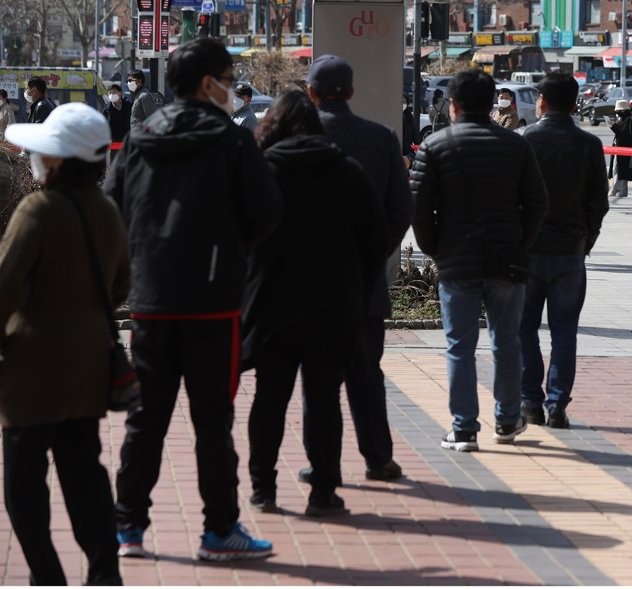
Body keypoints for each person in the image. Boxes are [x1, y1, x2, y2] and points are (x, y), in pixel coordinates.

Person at [104, 38, 283, 561]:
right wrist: (228, 248)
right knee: (212, 421)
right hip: (214, 305)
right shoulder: (231, 142)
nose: (232, 87)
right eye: (228, 78)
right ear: (208, 84)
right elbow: (267, 214)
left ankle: (127, 528)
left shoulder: (139, 137)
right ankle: (219, 529)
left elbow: (113, 207)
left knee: (145, 420)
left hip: (150, 303)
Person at [0, 102, 128, 585]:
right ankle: (103, 572)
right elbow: (121, 285)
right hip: (89, 366)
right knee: (84, 474)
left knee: (23, 481)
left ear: (55, 160)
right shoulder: (107, 211)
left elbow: (5, 287)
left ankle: (48, 577)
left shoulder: (38, 209)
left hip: (32, 371)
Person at [244, 90, 388, 516]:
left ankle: (262, 488)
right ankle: (324, 491)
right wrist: (356, 288)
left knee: (269, 397)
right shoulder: (348, 172)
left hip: (273, 305)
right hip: (333, 306)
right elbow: (377, 240)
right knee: (324, 399)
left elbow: (239, 235)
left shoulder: (263, 171)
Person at [410, 68, 548, 452]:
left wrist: (434, 248)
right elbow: (538, 202)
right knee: (507, 343)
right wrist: (521, 241)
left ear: (452, 105)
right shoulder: (517, 146)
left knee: (459, 345)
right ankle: (506, 421)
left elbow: (419, 208)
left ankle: (464, 428)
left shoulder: (436, 146)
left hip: (456, 260)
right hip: (507, 259)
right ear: (492, 104)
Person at [302, 54, 412, 484]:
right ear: (350, 91)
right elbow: (401, 207)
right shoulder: (381, 137)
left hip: (308, 283)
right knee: (367, 376)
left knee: (318, 379)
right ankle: (378, 457)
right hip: (364, 280)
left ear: (310, 93)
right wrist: (376, 249)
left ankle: (321, 463)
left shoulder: (296, 136)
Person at [518, 72, 608, 429]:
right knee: (565, 329)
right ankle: (557, 404)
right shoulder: (588, 145)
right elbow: (598, 202)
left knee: (523, 328)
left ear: (541, 100)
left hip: (528, 250)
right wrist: (587, 241)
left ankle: (530, 401)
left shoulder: (524, 140)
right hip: (570, 251)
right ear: (575, 104)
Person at [608, 99, 632, 199]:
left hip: (623, 148)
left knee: (619, 169)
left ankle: (615, 188)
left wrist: (613, 126)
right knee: (618, 169)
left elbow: (623, 134)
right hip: (618, 148)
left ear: (623, 110)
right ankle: (622, 192)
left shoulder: (628, 120)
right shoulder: (623, 120)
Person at [401, 94, 418, 168]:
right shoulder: (396, 114)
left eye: (404, 102)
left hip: (407, 148)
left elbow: (414, 133)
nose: (403, 104)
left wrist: (418, 146)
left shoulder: (409, 116)